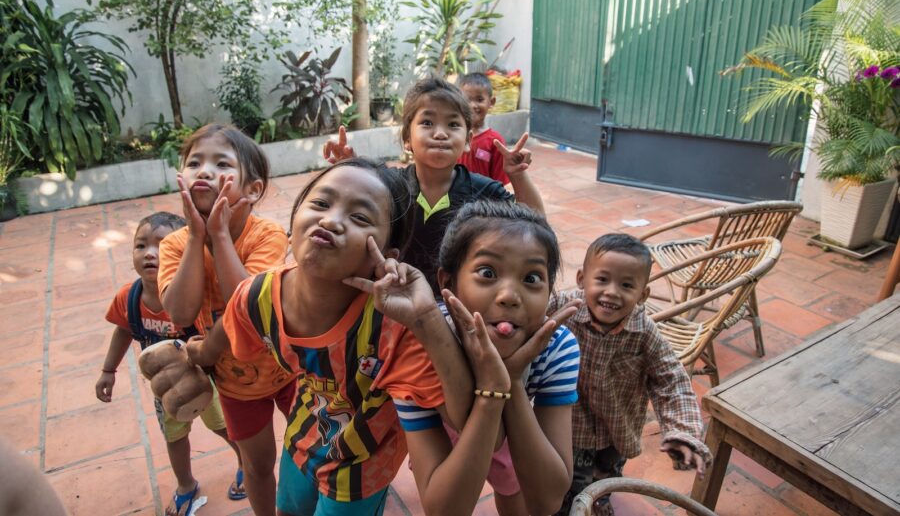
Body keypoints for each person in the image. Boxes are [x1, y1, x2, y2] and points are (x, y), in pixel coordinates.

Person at [220, 158, 511, 516]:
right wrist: (189, 355)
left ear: (386, 256)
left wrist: (426, 320)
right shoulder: (258, 295)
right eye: (321, 203)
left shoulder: (394, 329)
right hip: (302, 438)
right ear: (292, 224)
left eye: (359, 217)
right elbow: (226, 331)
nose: (331, 220)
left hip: (365, 465)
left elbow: (463, 419)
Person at [158, 124, 289, 516]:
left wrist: (219, 235)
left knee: (311, 453)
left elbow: (248, 305)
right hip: (235, 382)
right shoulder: (175, 244)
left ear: (252, 190)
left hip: (289, 369)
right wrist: (198, 239)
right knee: (258, 464)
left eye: (221, 163)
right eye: (194, 162)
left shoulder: (267, 234)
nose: (204, 171)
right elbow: (180, 313)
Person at [323, 77, 544, 293]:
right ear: (407, 138)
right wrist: (350, 167)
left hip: (457, 303)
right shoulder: (391, 185)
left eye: (453, 124)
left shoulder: (482, 191)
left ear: (467, 140)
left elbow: (534, 222)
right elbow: (356, 202)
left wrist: (518, 176)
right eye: (427, 123)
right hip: (395, 294)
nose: (440, 133)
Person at [435, 200, 582, 515]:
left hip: (514, 430)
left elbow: (546, 501)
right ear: (448, 283)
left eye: (531, 279)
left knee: (513, 495)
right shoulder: (425, 341)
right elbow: (443, 509)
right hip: (444, 425)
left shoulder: (556, 349)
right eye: (488, 273)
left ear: (550, 292)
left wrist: (512, 380)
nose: (509, 296)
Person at [551, 234, 711, 516]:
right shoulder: (564, 308)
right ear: (581, 279)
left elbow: (671, 380)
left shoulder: (644, 332)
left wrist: (683, 432)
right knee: (570, 483)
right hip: (571, 427)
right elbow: (528, 312)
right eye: (602, 280)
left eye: (626, 285)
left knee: (608, 474)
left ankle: (601, 501)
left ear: (642, 294)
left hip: (618, 429)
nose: (612, 292)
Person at [95, 211, 241, 516]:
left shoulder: (194, 296)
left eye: (162, 245)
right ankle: (186, 484)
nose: (150, 253)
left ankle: (247, 463)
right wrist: (108, 370)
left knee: (224, 427)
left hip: (205, 383)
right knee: (174, 436)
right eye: (141, 245)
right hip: (164, 390)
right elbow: (123, 330)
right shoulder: (129, 298)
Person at [455, 72, 509, 185]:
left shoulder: (496, 142)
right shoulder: (454, 134)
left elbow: (500, 183)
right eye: (467, 100)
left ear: (491, 102)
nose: (473, 105)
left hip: (483, 201)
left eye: (479, 100)